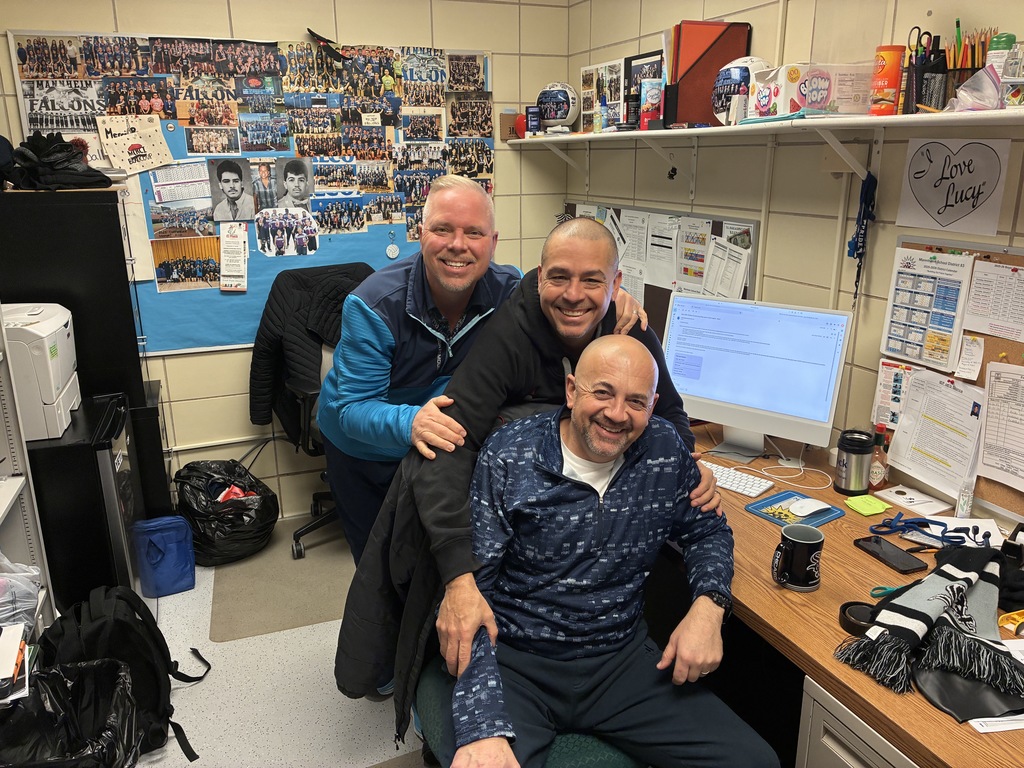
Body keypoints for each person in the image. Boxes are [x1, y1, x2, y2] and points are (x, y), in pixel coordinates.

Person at [334, 217, 719, 739]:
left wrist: (687, 467)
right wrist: (458, 576)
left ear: (616, 285)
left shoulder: (629, 327)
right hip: (497, 478)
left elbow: (670, 418)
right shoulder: (510, 331)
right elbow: (454, 440)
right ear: (538, 279)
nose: (575, 295)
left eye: (593, 281)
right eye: (559, 277)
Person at [438, 335, 778, 768]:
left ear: (654, 405)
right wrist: (481, 722)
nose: (617, 414)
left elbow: (707, 532)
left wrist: (708, 609)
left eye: (636, 401)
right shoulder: (511, 455)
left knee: (754, 761)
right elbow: (469, 602)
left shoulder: (664, 450)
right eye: (603, 392)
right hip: (517, 663)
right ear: (571, 390)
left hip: (619, 661)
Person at [318, 178, 647, 566]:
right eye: (443, 229)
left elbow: (563, 287)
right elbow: (350, 408)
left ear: (493, 242)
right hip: (367, 453)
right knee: (382, 571)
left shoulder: (508, 291)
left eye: (474, 233)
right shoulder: (374, 304)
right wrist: (411, 423)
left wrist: (611, 296)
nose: (458, 245)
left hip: (441, 442)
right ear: (420, 235)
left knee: (431, 569)